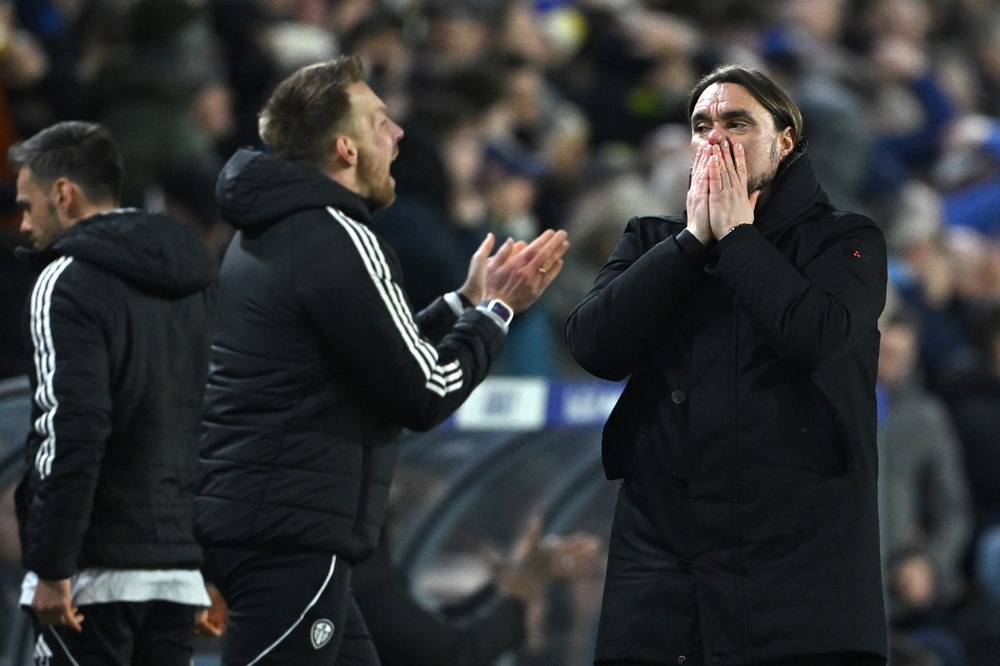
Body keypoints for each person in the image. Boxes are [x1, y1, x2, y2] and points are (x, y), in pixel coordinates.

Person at [194, 54, 569, 666]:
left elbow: (376, 356)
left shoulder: (272, 231)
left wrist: (467, 301)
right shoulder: (339, 236)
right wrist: (497, 313)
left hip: (270, 522)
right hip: (290, 533)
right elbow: (425, 389)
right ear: (345, 148)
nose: (397, 134)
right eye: (380, 122)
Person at [565, 64, 889, 665]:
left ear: (784, 140)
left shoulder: (847, 239)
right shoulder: (652, 241)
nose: (714, 137)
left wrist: (738, 237)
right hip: (666, 570)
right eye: (701, 124)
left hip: (799, 575)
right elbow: (594, 345)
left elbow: (817, 335)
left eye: (737, 122)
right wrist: (691, 243)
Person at [9, 121, 218, 664]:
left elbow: (69, 429)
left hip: (92, 575)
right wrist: (205, 566)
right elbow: (215, 423)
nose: (23, 224)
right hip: (177, 573)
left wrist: (52, 566)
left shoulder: (66, 279)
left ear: (64, 194)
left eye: (28, 206)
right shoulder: (197, 281)